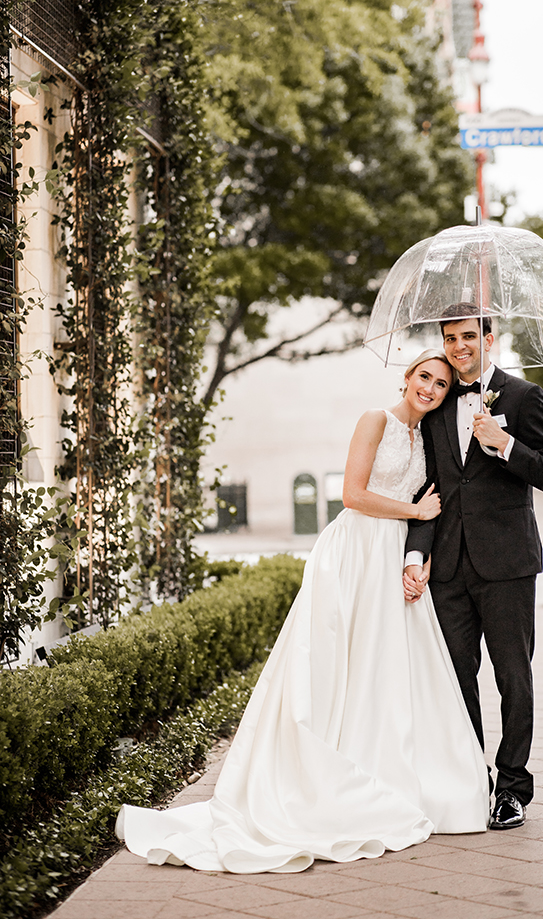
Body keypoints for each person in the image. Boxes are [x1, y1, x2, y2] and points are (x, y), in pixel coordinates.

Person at [117, 351, 490, 874]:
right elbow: (353, 495)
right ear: (407, 378)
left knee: (384, 667)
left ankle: (388, 769)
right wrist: (413, 511)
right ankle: (319, 775)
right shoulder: (374, 420)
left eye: (441, 384)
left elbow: (431, 506)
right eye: (424, 377)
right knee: (335, 662)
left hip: (392, 559)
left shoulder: (426, 437)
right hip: (354, 553)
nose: (430, 388)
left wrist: (417, 557)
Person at [403, 305, 543, 831]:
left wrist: (505, 443)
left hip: (509, 564)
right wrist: (416, 554)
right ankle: (475, 777)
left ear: (489, 338)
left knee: (513, 677)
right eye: (450, 339)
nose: (459, 347)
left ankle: (513, 787)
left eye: (468, 336)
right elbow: (430, 491)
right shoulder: (437, 404)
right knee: (457, 678)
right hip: (449, 567)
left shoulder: (524, 397)